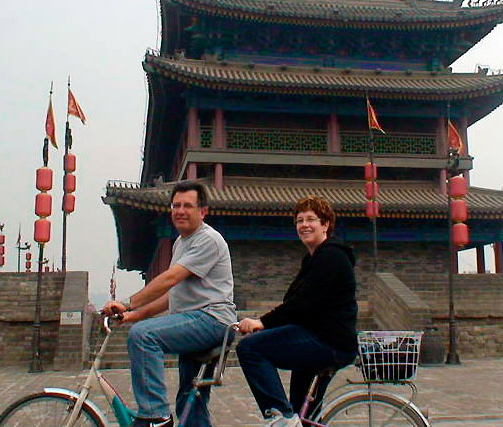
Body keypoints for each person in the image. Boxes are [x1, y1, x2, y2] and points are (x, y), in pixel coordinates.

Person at [102, 181, 236, 427]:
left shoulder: (208, 239)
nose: (180, 211)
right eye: (176, 205)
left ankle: (155, 416)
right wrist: (133, 315)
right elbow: (172, 294)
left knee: (143, 336)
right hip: (193, 320)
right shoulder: (181, 243)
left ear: (203, 211)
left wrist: (126, 303)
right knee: (190, 398)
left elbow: (170, 279)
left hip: (211, 319)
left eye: (188, 206)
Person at [236, 195, 358, 427]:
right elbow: (297, 302)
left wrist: (263, 322)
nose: (304, 225)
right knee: (306, 417)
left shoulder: (332, 256)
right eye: (299, 220)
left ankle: (280, 416)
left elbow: (303, 302)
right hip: (322, 338)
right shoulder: (314, 259)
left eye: (311, 219)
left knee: (250, 348)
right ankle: (293, 419)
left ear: (325, 224)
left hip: (328, 342)